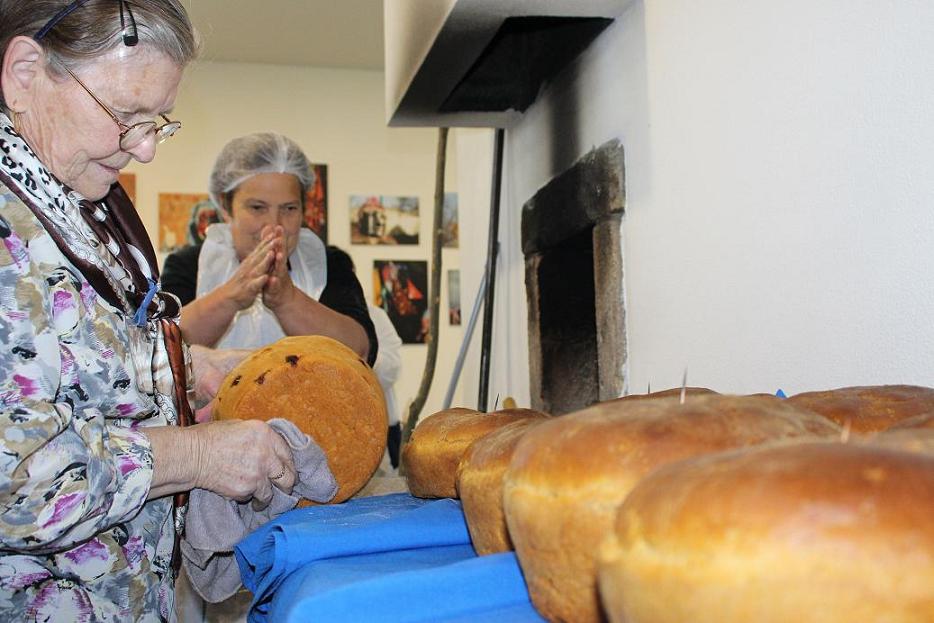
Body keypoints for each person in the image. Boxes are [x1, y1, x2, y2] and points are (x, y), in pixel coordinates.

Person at [0, 3, 299, 620]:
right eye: (124, 115)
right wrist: (200, 454)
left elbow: (72, 360)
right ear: (25, 74)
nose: (144, 149)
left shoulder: (69, 197)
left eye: (156, 121)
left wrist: (185, 368)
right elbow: (17, 482)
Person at [160, 133, 377, 365]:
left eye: (289, 208)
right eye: (257, 207)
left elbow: (360, 351)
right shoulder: (188, 264)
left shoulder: (329, 263)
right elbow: (161, 348)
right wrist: (231, 296)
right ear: (225, 206)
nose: (274, 224)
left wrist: (287, 300)